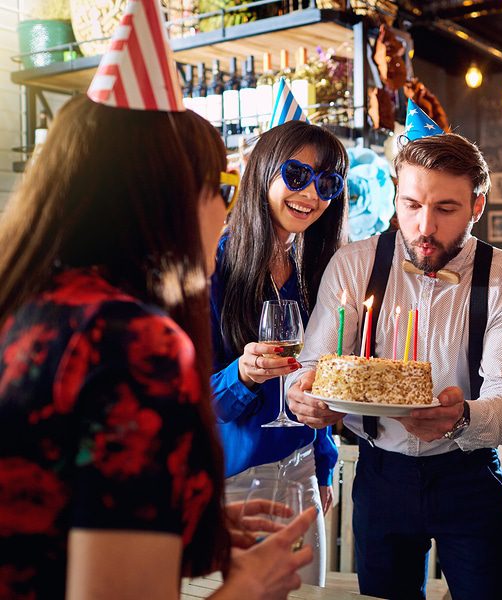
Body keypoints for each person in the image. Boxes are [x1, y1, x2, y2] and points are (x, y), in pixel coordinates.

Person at [0, 93, 317, 598]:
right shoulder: (132, 342)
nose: (226, 212)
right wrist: (247, 588)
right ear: (163, 197)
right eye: (220, 188)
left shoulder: (29, 306)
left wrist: (188, 528)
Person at [287, 130, 502, 600]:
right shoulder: (353, 264)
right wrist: (303, 393)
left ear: (477, 205)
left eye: (446, 209)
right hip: (380, 475)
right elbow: (315, 366)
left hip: (468, 475)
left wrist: (462, 417)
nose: (424, 226)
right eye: (411, 204)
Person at [210, 119, 346, 586]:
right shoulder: (216, 266)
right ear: (263, 171)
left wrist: (324, 461)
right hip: (237, 480)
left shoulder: (315, 270)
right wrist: (243, 374)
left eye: (327, 183)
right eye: (296, 175)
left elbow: (314, 381)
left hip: (303, 468)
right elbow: (192, 401)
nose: (311, 193)